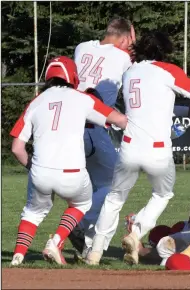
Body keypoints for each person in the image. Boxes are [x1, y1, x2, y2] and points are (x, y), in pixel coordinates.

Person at [85, 31, 190, 265]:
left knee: (115, 198)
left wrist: (183, 109)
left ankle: (95, 251)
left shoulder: (130, 73)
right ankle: (136, 231)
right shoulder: (167, 70)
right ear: (164, 50)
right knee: (163, 194)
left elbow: (155, 100)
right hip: (157, 150)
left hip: (129, 146)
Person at [9, 56, 127, 266]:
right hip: (72, 172)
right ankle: (56, 240)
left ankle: (18, 256)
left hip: (41, 170)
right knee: (82, 202)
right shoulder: (81, 97)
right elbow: (119, 120)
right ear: (73, 76)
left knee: (33, 212)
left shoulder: (36, 101)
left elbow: (17, 148)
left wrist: (31, 167)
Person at [67, 18, 135, 258]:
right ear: (126, 39)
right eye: (130, 41)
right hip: (93, 126)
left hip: (70, 126)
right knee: (114, 184)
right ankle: (78, 224)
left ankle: (87, 243)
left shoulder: (82, 47)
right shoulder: (123, 57)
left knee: (91, 186)